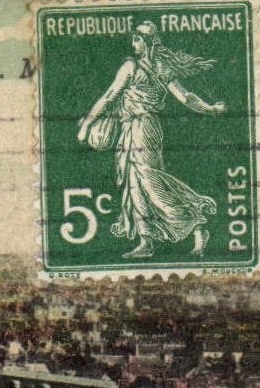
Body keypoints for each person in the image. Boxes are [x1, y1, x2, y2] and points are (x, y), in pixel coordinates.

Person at [77, 21, 226, 258]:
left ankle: (196, 225)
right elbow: (186, 97)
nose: (133, 43)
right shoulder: (158, 67)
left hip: (143, 128)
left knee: (148, 181)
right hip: (132, 128)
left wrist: (86, 125)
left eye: (137, 39)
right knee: (134, 183)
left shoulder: (134, 67)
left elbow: (109, 97)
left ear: (147, 43)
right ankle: (146, 241)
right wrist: (210, 109)